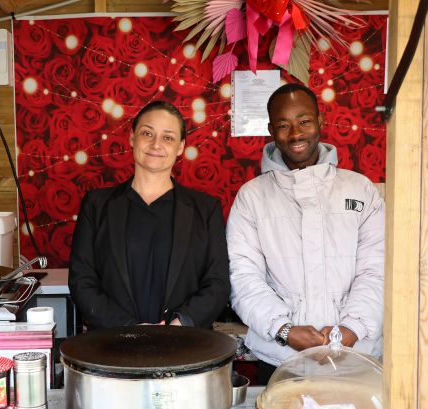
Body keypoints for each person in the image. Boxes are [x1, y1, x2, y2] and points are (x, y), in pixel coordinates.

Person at [226, 83, 385, 383]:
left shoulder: (360, 189)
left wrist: (352, 328)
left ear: (320, 121)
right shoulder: (251, 197)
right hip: (280, 357)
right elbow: (244, 278)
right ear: (271, 130)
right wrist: (284, 331)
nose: (296, 134)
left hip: (356, 354)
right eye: (284, 125)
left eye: (304, 121)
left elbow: (376, 271)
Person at [68, 101, 230, 329]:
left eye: (168, 137)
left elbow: (218, 283)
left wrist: (180, 324)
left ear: (181, 147)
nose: (156, 144)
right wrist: (129, 328)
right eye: (147, 133)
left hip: (185, 347)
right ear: (132, 138)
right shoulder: (97, 205)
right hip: (112, 349)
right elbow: (82, 281)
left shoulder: (206, 210)